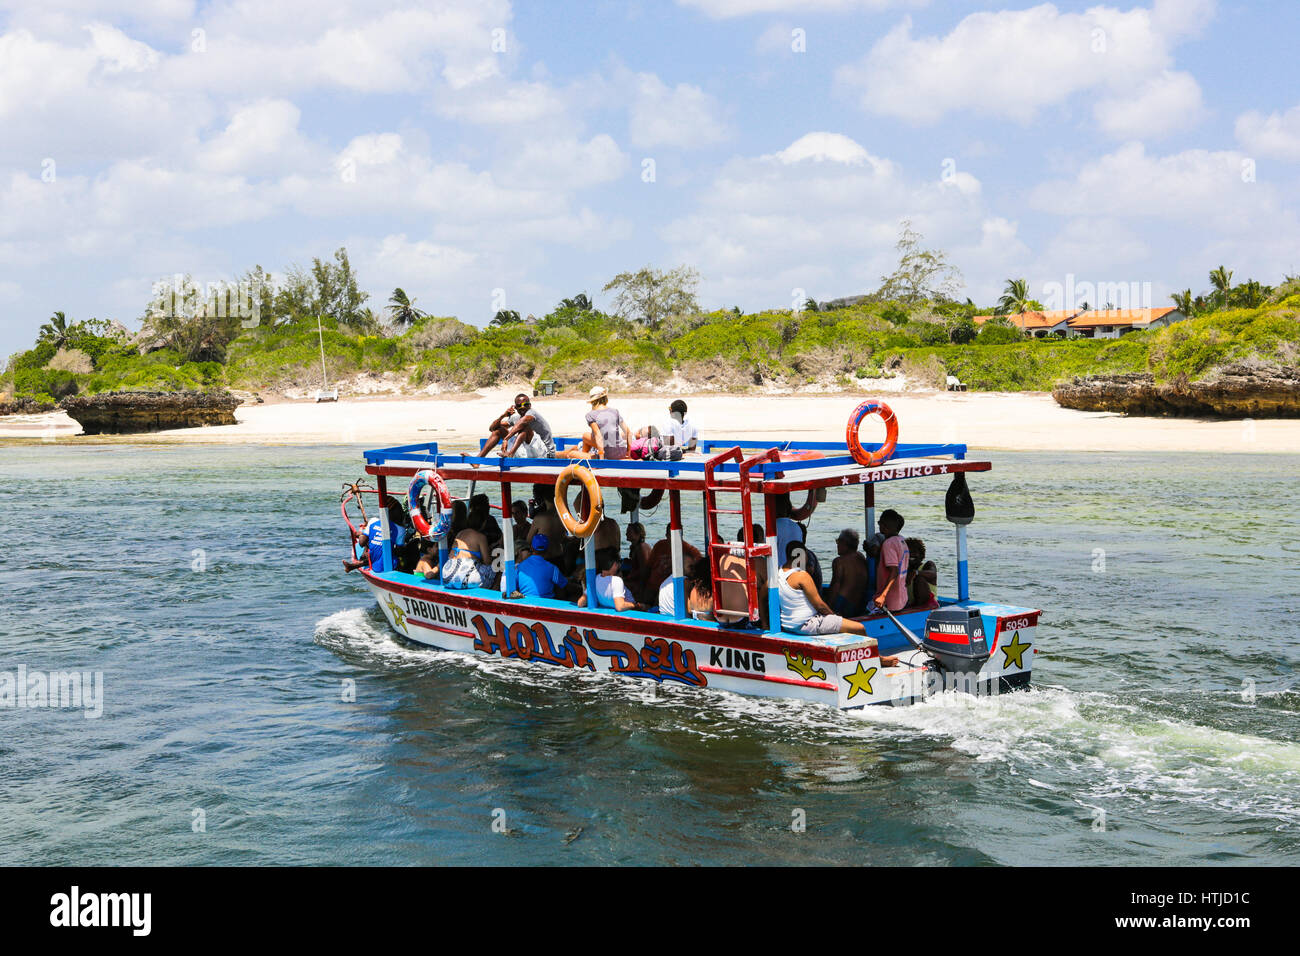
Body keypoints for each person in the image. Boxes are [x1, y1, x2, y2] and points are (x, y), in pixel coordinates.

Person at [778, 544, 898, 666]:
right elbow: (819, 605)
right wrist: (834, 617)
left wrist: (766, 624)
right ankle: (877, 658)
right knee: (859, 628)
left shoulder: (777, 574)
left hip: (789, 625)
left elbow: (763, 595)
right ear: (800, 556)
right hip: (808, 624)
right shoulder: (801, 576)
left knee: (841, 623)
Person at [642, 522, 703, 603]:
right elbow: (648, 567)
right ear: (666, 535)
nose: (674, 538)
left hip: (672, 587)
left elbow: (701, 565)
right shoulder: (659, 545)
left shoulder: (688, 549)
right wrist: (642, 584)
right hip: (653, 586)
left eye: (678, 534)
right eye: (671, 535)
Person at [870, 509, 910, 614]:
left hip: (888, 600)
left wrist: (883, 596)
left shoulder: (888, 544)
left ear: (884, 525)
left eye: (880, 523)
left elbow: (894, 571)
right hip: (901, 598)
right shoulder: (901, 540)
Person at [578, 551, 642, 611]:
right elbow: (620, 606)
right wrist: (635, 605)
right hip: (629, 611)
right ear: (614, 564)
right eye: (619, 562)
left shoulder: (596, 579)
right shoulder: (616, 580)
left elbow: (580, 603)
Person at [442, 516, 494, 589]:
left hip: (446, 576)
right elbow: (487, 561)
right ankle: (494, 590)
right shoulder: (480, 537)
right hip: (464, 578)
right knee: (494, 568)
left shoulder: (460, 533)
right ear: (483, 523)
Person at [827, 529, 870, 617]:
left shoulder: (839, 561)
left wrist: (828, 607)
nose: (837, 545)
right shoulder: (860, 556)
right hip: (858, 603)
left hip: (842, 602)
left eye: (838, 541)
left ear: (844, 543)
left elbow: (835, 585)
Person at [499, 393, 557, 458]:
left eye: (525, 405)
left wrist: (506, 439)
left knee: (525, 427)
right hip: (532, 450)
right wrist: (503, 416)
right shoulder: (516, 417)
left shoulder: (532, 413)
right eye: (519, 405)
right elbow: (493, 428)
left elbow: (523, 422)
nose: (523, 407)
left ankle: (510, 453)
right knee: (497, 431)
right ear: (515, 407)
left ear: (530, 405)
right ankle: (484, 458)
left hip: (546, 453)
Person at [515, 533, 571, 599]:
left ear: (532, 547)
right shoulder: (552, 568)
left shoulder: (520, 566)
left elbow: (514, 587)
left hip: (525, 602)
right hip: (547, 603)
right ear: (547, 549)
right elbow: (564, 585)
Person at [583, 385, 631, 460]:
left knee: (583, 438)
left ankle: (584, 459)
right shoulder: (615, 411)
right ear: (605, 398)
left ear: (593, 401)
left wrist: (602, 459)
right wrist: (628, 451)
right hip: (621, 452)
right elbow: (628, 432)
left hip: (608, 454)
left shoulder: (591, 415)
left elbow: (598, 436)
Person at [525, 484, 565, 563]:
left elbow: (529, 541)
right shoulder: (564, 516)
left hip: (544, 560)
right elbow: (563, 538)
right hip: (559, 557)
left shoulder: (540, 518)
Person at [906, 537, 939, 609]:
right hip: (911, 604)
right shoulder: (904, 570)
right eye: (908, 552)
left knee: (919, 579)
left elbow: (933, 574)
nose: (911, 555)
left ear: (921, 554)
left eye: (914, 552)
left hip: (927, 605)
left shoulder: (928, 565)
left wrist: (916, 572)